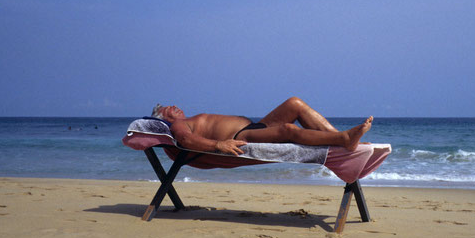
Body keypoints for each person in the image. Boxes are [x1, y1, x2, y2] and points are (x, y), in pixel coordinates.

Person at [152, 97, 373, 156]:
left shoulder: (188, 120)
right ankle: (344, 139)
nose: (174, 106)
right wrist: (219, 144)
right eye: (167, 107)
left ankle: (345, 140)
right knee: (288, 130)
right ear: (162, 118)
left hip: (255, 126)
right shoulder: (177, 126)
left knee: (294, 104)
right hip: (242, 135)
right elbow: (186, 141)